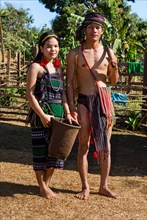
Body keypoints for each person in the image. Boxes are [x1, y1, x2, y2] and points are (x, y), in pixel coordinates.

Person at [66, 12, 119, 200]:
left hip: (104, 102)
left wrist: (113, 67)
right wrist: (71, 107)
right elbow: (70, 83)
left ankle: (104, 186)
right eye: (90, 27)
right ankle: (85, 187)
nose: (93, 30)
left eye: (97, 27)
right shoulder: (75, 53)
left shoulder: (108, 52)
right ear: (85, 30)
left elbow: (113, 81)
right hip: (83, 101)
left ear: (102, 31)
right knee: (83, 146)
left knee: (106, 146)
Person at [26, 31, 75, 199]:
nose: (52, 49)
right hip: (41, 116)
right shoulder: (36, 67)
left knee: (57, 151)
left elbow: (62, 94)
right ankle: (42, 187)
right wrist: (42, 115)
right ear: (41, 48)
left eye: (56, 46)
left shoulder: (59, 68)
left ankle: (46, 184)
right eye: (48, 46)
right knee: (41, 151)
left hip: (59, 116)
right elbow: (30, 94)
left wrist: (67, 112)